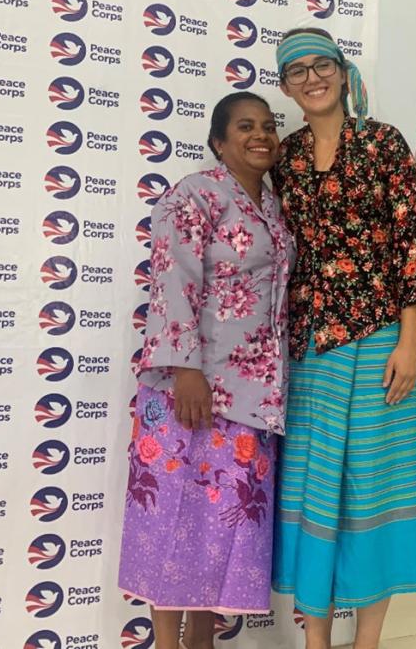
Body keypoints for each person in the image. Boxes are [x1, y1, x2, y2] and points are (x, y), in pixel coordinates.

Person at [270, 28, 416, 649]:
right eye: (297, 73)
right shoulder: (283, 157)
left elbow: (410, 246)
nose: (311, 79)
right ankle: (316, 641)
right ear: (286, 86)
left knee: (373, 488)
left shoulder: (381, 144)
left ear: (342, 74)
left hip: (380, 341)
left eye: (321, 67)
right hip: (310, 350)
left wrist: (410, 341)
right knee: (316, 490)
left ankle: (365, 643)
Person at [119, 92, 296, 649]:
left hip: (253, 399)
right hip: (191, 393)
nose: (260, 135)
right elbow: (172, 280)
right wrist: (185, 369)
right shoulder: (192, 195)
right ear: (219, 142)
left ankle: (202, 642)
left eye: (268, 125)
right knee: (172, 522)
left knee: (218, 535)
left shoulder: (273, 206)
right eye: (245, 126)